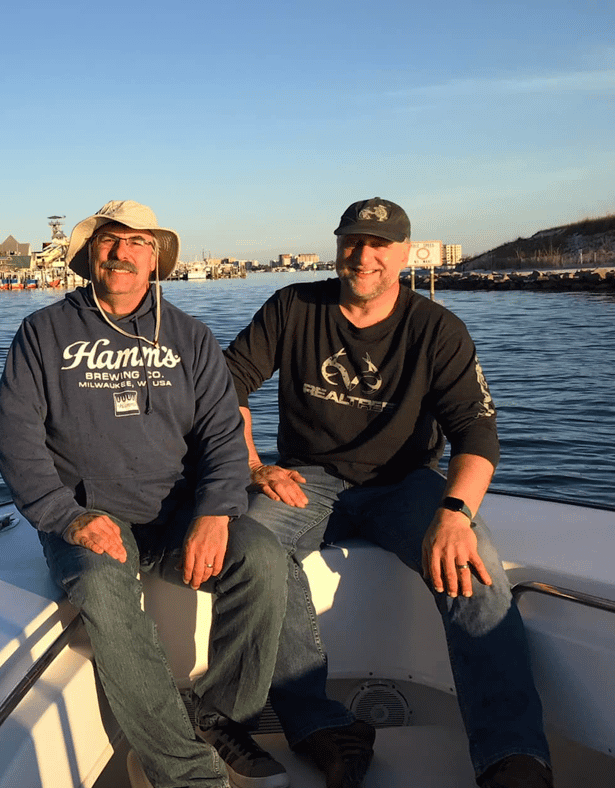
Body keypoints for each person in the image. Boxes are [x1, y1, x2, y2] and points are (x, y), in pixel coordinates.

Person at [223, 197, 552, 788]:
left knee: (475, 568)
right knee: (251, 544)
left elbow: (477, 431)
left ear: (404, 253)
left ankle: (513, 758)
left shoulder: (436, 329)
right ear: (339, 244)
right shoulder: (293, 306)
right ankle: (321, 726)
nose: (365, 255)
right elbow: (227, 387)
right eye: (354, 240)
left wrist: (455, 513)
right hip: (307, 480)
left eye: (381, 244)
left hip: (404, 485)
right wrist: (253, 467)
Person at [0, 200, 289, 788]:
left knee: (263, 558)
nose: (122, 253)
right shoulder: (43, 332)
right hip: (89, 514)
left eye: (138, 243)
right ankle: (183, 769)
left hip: (179, 512)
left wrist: (215, 511)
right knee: (103, 584)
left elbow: (224, 434)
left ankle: (221, 717)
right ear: (90, 255)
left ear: (155, 258)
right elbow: (14, 437)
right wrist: (66, 518)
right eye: (110, 241)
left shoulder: (190, 336)